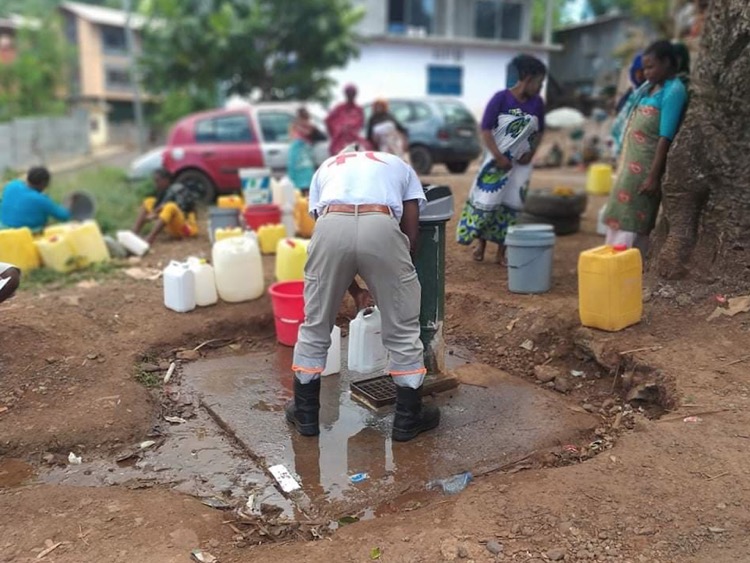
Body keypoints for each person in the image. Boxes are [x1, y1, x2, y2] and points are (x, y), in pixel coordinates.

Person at [286, 143, 439, 443]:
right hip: (380, 222)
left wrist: (355, 289)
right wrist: (395, 272)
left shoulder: (327, 167)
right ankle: (407, 420)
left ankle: (305, 416)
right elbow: (411, 234)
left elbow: (332, 245)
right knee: (403, 329)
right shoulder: (397, 164)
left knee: (315, 324)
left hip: (331, 222)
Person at [456, 54, 546, 264]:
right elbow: (486, 130)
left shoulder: (537, 103)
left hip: (521, 165)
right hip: (495, 162)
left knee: (512, 204)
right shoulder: (501, 98)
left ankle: (501, 252)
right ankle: (481, 244)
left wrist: (530, 153)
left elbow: (539, 131)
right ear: (527, 78)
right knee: (488, 201)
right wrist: (498, 156)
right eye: (538, 83)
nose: (540, 88)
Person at [603, 40, 688, 256]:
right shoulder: (648, 89)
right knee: (619, 215)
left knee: (634, 219)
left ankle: (627, 264)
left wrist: (653, 176)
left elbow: (665, 136)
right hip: (628, 167)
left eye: (651, 67)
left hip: (646, 169)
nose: (646, 72)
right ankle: (614, 261)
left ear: (667, 63)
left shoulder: (674, 91)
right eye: (644, 67)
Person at [132, 168, 199, 245]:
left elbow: (181, 208)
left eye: (157, 181)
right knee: (148, 201)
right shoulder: (163, 192)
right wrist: (153, 213)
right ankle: (133, 233)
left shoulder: (178, 188)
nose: (155, 184)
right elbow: (157, 208)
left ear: (166, 180)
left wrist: (156, 214)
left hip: (187, 229)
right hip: (173, 229)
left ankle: (149, 238)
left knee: (170, 206)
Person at [0, 167, 70, 232]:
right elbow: (64, 216)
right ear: (44, 183)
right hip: (25, 235)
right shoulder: (41, 200)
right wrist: (68, 203)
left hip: (3, 230)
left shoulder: (12, 185)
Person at [611, 53, 647, 159]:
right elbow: (619, 109)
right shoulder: (632, 93)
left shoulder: (649, 92)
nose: (639, 75)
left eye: (642, 71)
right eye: (636, 71)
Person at [287, 107, 325, 196]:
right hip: (301, 153)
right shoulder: (304, 126)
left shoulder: (297, 126)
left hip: (301, 153)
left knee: (303, 175)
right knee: (304, 175)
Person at [324, 84, 365, 155]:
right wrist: (336, 131)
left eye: (352, 93)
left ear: (355, 94)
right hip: (339, 140)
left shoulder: (358, 109)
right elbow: (328, 120)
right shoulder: (339, 108)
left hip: (354, 139)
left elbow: (360, 124)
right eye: (348, 93)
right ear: (345, 94)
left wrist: (351, 129)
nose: (350, 95)